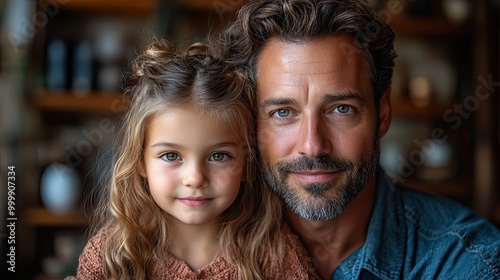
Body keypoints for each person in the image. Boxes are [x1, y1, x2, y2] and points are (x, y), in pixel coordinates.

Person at [221, 0, 500, 279]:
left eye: (342, 109)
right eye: (283, 112)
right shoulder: (206, 249)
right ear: (251, 123)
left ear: (383, 112)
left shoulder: (468, 262)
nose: (312, 145)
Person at [65, 39, 319, 280]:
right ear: (141, 162)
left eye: (219, 156)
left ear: (246, 163)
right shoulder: (112, 256)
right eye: (171, 155)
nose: (195, 178)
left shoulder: (275, 255)